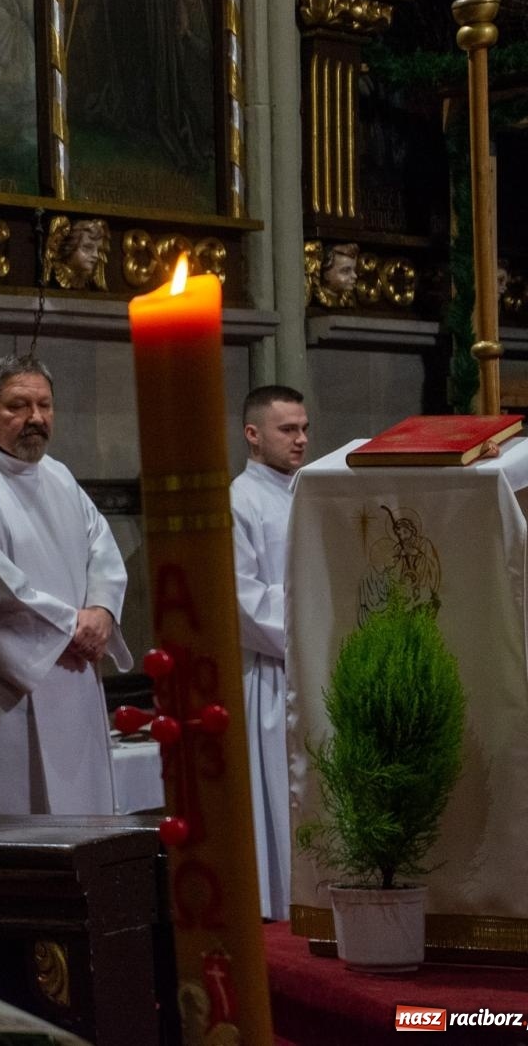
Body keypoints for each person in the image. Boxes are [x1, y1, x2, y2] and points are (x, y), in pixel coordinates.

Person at [0, 355, 132, 814]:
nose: (35, 418)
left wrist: (102, 611)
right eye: (18, 406)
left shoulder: (59, 476)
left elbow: (102, 550)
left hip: (73, 678)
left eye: (45, 405)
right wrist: (73, 627)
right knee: (10, 826)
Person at [231, 384, 309, 921]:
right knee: (280, 796)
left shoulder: (310, 490)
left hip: (311, 663)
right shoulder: (239, 499)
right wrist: (310, 614)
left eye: (304, 428)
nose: (301, 439)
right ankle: (282, 904)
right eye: (288, 429)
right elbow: (240, 596)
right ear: (253, 435)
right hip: (268, 672)